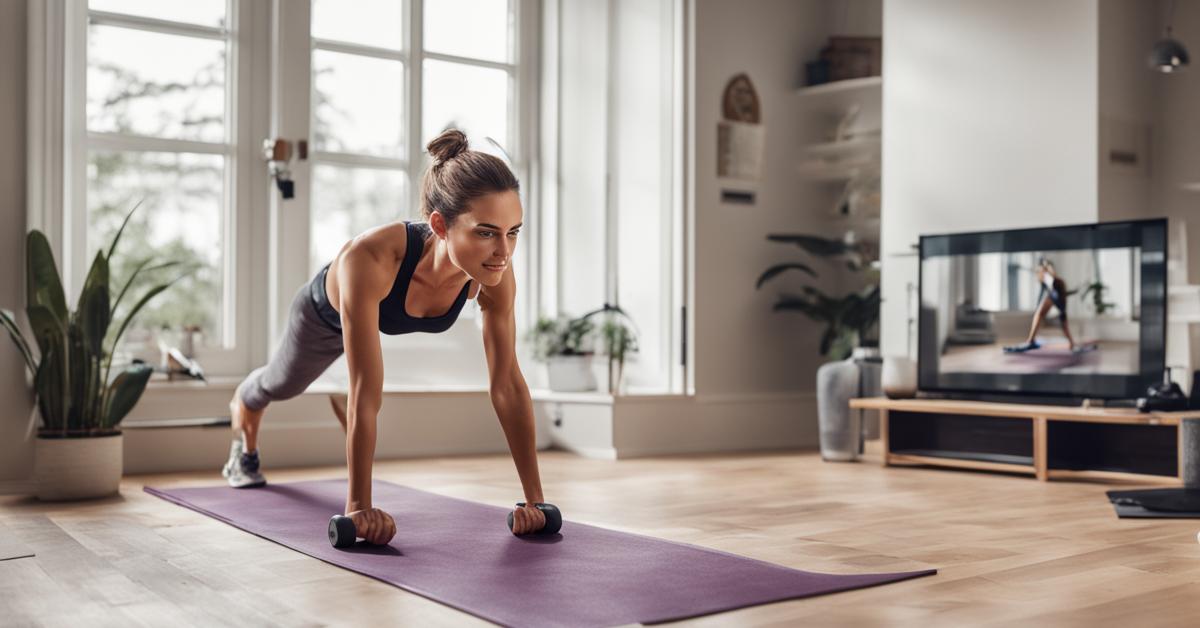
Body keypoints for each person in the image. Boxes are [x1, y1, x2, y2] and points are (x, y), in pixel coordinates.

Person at [221, 128, 548, 543]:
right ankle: (245, 403)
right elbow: (365, 390)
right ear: (440, 225)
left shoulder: (493, 272)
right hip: (324, 319)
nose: (504, 250)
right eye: (485, 232)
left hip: (372, 315)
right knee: (281, 383)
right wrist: (358, 507)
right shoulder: (370, 257)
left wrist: (536, 501)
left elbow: (507, 384)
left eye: (513, 231)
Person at [1004, 258, 1079, 353]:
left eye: (1043, 270)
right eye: (1040, 270)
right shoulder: (1043, 279)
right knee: (1039, 314)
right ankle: (1031, 340)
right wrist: (1038, 304)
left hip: (1059, 294)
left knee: (1063, 322)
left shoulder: (1053, 278)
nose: (1040, 272)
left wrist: (1047, 266)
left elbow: (1058, 287)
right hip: (1052, 295)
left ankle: (1072, 343)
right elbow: (1042, 291)